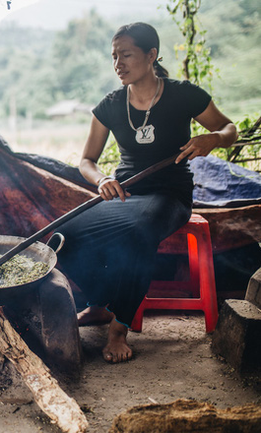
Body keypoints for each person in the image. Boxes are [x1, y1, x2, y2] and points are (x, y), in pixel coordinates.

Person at [55, 22, 238, 363]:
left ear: (151, 55)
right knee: (64, 236)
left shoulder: (183, 94)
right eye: (114, 56)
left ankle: (119, 329)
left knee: (139, 232)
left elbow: (230, 129)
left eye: (126, 55)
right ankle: (99, 304)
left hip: (170, 195)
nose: (117, 64)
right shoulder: (110, 105)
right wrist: (101, 179)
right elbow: (87, 160)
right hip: (126, 194)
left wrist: (212, 139)